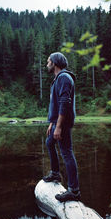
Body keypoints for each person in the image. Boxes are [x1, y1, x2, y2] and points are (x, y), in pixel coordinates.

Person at [43, 52, 80, 202]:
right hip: (57, 122)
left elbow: (65, 103)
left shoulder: (64, 78)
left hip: (62, 124)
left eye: (48, 61)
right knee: (49, 143)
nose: (47, 64)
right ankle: (55, 173)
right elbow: (57, 104)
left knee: (66, 153)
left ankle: (74, 191)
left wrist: (58, 127)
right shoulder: (57, 79)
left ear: (55, 63)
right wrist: (52, 123)